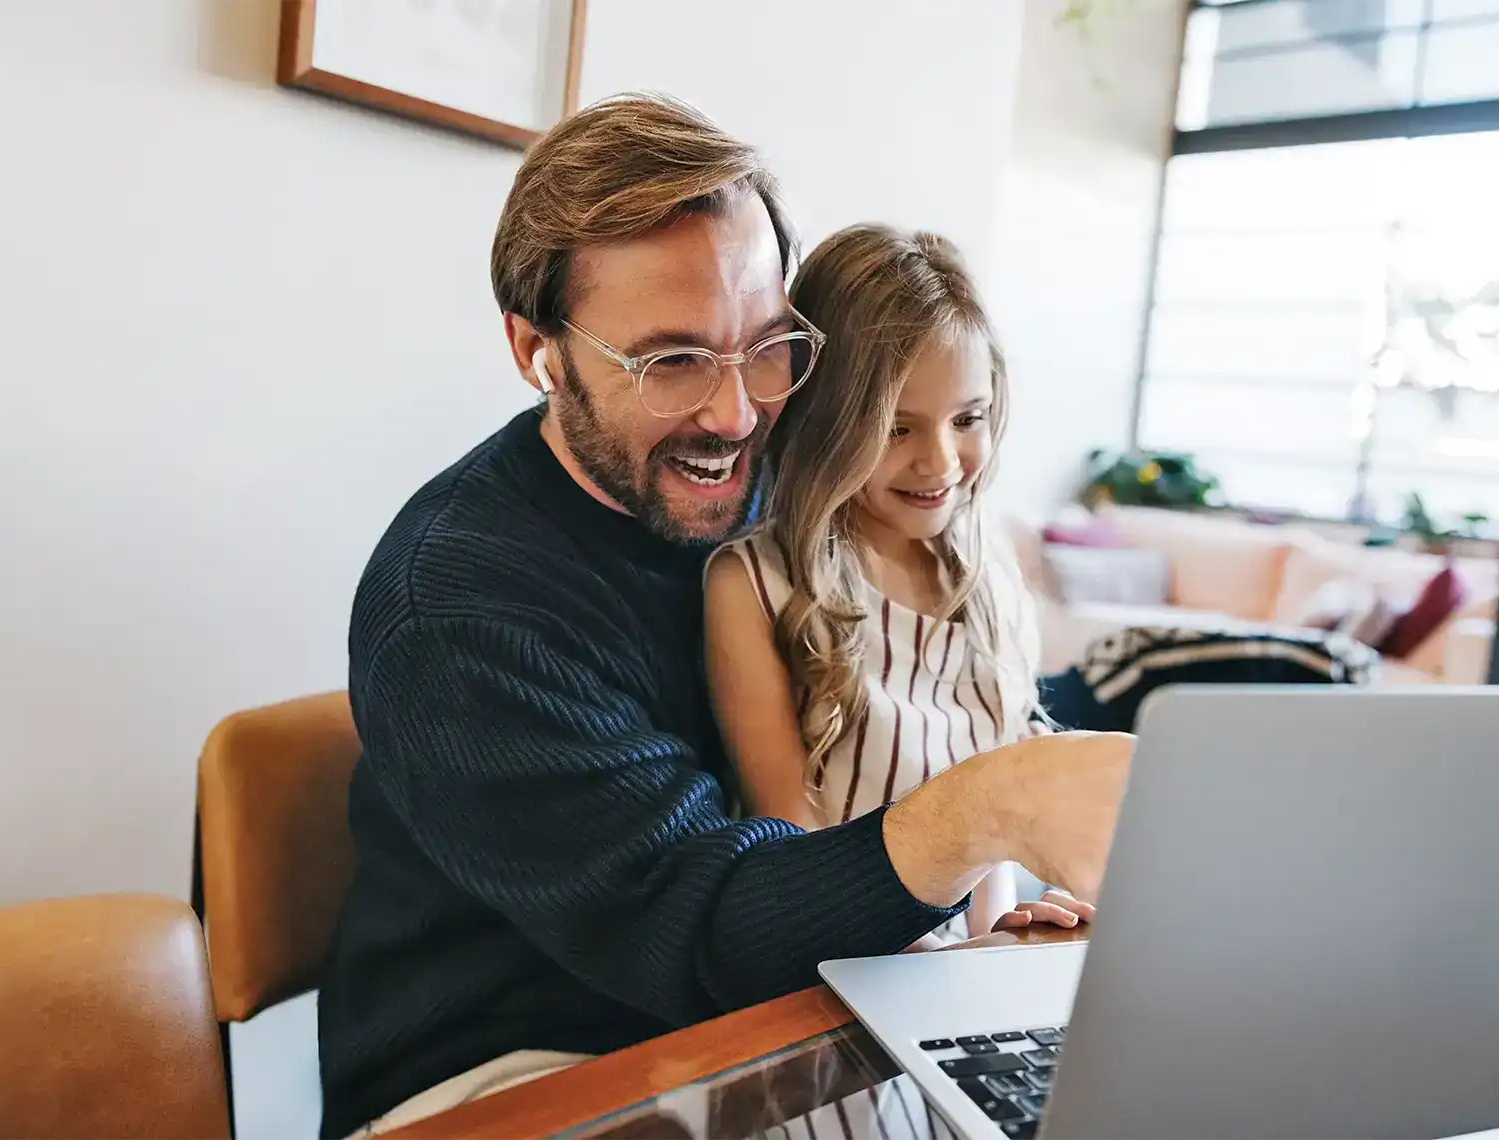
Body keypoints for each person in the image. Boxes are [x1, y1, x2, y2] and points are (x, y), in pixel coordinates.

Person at [318, 92, 1134, 1140]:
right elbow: (702, 929)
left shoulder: (775, 493)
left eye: (768, 344)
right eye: (672, 361)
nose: (738, 411)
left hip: (789, 1010)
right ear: (537, 352)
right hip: (520, 1068)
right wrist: (987, 809)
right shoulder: (459, 611)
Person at [704, 224, 1083, 949]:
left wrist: (1002, 936)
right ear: (827, 422)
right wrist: (950, 960)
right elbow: (789, 845)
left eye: (967, 419)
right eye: (897, 428)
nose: (941, 461)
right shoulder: (753, 583)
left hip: (958, 971)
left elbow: (992, 835)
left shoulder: (986, 573)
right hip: (837, 963)